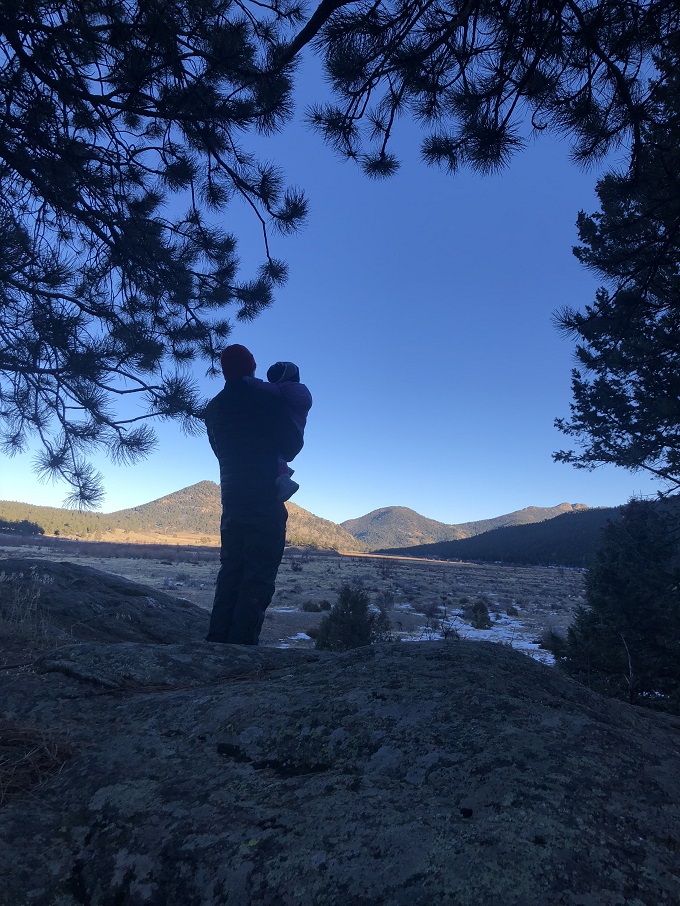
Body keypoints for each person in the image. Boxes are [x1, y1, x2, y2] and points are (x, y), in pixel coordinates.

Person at [203, 343, 303, 645]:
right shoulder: (262, 399)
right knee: (258, 576)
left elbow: (221, 453)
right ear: (252, 367)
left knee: (231, 569)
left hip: (231, 498)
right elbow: (291, 447)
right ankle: (242, 650)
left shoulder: (214, 409)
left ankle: (216, 644)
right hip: (263, 497)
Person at [246, 361, 312, 501]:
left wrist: (252, 382)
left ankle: (285, 480)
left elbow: (270, 389)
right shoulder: (296, 390)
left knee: (272, 448)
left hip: (289, 432)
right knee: (278, 454)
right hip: (296, 436)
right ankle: (283, 471)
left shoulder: (284, 389)